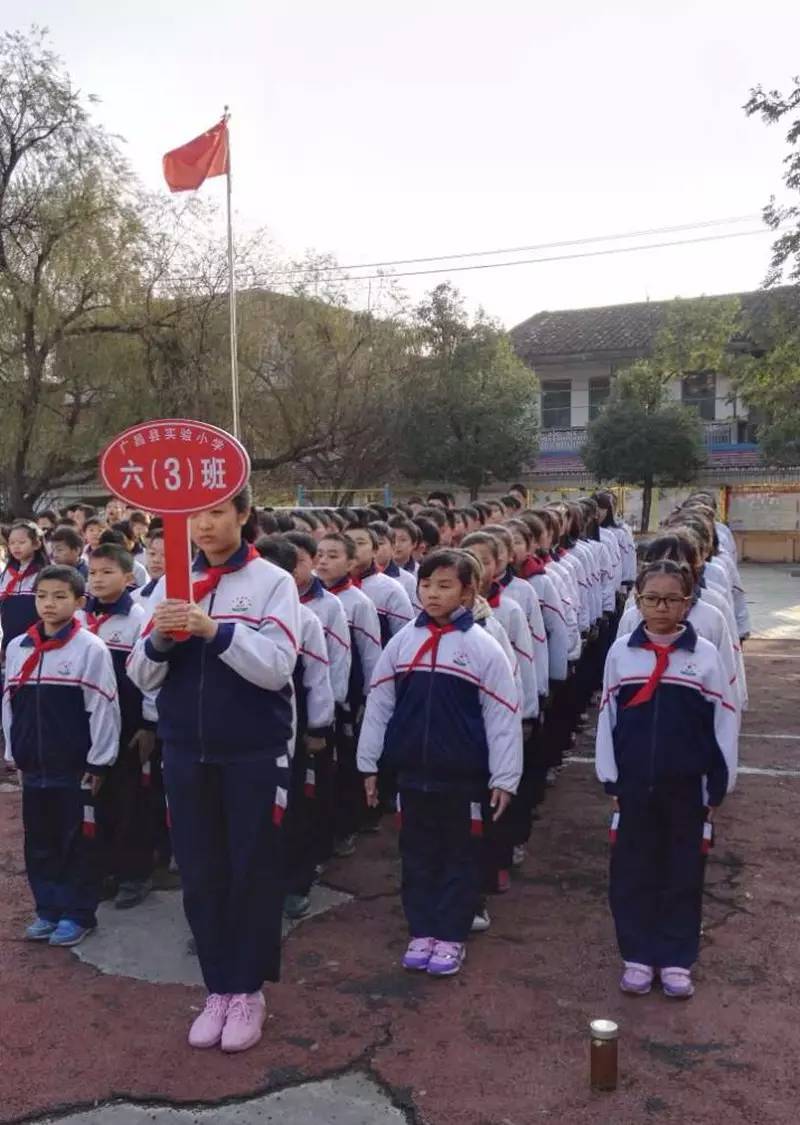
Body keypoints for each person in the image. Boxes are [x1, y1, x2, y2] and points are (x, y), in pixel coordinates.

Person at [126, 485, 300, 1053]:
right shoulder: (167, 586)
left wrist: (214, 630)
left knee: (251, 870)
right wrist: (161, 639)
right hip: (185, 750)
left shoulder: (271, 582)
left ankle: (248, 990)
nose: (203, 524)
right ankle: (218, 988)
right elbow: (139, 675)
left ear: (244, 516)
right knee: (200, 873)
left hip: (252, 751)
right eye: (193, 515)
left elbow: (277, 667)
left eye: (217, 511)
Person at [357, 549, 522, 977]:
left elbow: (503, 714)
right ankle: (422, 930)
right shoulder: (404, 642)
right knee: (416, 854)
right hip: (412, 773)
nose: (432, 594)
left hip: (463, 778)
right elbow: (379, 704)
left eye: (445, 586)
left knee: (460, 856)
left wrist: (505, 776)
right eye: (426, 585)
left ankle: (450, 935)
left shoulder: (483, 646)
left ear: (469, 593)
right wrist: (369, 763)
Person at [595, 560, 738, 999]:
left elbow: (724, 722)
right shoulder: (621, 653)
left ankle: (676, 959)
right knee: (633, 872)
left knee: (683, 872)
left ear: (687, 603)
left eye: (671, 599)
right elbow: (607, 718)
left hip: (686, 788)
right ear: (637, 602)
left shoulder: (705, 657)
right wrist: (611, 779)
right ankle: (637, 956)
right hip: (635, 786)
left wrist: (718, 785)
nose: (661, 607)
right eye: (651, 598)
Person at [3, 565, 120, 946]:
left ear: (79, 602)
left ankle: (78, 913)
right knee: (39, 842)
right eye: (42, 596)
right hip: (33, 764)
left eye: (59, 596)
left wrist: (99, 760)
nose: (49, 604)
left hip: (73, 767)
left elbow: (103, 708)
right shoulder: (18, 646)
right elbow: (9, 706)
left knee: (77, 842)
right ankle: (48, 910)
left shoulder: (90, 648)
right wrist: (13, 753)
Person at [255, 535, 335, 920]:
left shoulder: (306, 619)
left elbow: (318, 676)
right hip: (247, 731)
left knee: (293, 808)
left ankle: (295, 882)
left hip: (293, 727)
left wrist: (318, 726)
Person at [85, 543, 153, 909]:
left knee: (131, 803)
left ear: (129, 578)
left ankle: (134, 874)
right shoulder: (79, 618)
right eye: (93, 572)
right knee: (96, 801)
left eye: (107, 572)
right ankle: (104, 869)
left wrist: (148, 724)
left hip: (129, 727)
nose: (97, 579)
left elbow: (151, 678)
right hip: (90, 729)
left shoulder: (139, 619)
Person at [314, 532, 381, 855]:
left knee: (345, 761)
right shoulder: (303, 599)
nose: (323, 561)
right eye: (320, 554)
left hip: (346, 696)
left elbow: (371, 654)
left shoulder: (359, 602)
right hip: (314, 693)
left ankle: (346, 825)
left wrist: (369, 697)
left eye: (333, 555)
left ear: (352, 563)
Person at [345, 525, 413, 646]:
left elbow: (406, 637)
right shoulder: (326, 584)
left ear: (374, 550)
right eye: (347, 543)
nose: (353, 548)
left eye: (360, 543)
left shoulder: (391, 589)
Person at [0, 521, 50, 658]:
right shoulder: (7, 573)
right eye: (12, 543)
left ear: (36, 544)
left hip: (36, 638)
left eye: (21, 542)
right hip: (9, 637)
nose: (16, 547)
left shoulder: (45, 573)